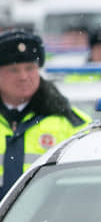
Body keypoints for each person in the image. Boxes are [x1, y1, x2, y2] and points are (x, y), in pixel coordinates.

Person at [0, 30, 90, 197]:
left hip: (48, 218)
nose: (24, 76)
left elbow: (85, 183)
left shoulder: (71, 123)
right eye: (13, 70)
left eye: (30, 68)